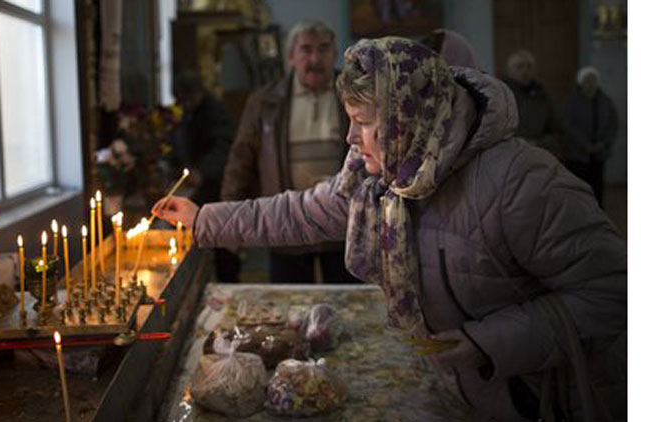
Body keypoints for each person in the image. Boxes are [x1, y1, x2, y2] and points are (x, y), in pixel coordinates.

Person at [155, 37, 626, 421]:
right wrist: (204, 219)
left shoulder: (522, 183)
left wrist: (489, 343)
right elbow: (300, 212)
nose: (349, 138)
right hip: (466, 394)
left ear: (406, 120)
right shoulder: (382, 177)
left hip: (543, 398)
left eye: (361, 122)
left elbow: (615, 292)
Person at [220, 19, 358, 283]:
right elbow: (240, 163)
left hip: (345, 227)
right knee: (290, 309)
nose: (315, 58)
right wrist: (229, 222)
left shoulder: (357, 93)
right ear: (291, 56)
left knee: (349, 307)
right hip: (287, 225)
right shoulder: (264, 101)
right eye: (306, 49)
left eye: (324, 49)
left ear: (334, 53)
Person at [171, 71, 241, 282]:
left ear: (197, 92)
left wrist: (203, 171)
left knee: (222, 242)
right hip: (198, 188)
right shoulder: (187, 111)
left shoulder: (215, 112)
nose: (185, 104)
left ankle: (229, 285)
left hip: (217, 186)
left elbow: (225, 147)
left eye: (188, 99)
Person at [560, 66, 618, 206]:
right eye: (587, 79)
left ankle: (597, 212)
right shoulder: (571, 101)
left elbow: (613, 124)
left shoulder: (606, 101)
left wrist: (603, 143)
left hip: (599, 153)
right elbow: (567, 124)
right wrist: (584, 144)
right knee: (578, 186)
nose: (590, 83)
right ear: (580, 82)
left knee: (597, 185)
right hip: (576, 153)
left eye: (593, 79)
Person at [502, 50, 564, 159]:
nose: (525, 71)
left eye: (529, 66)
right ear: (509, 71)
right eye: (519, 66)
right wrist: (518, 143)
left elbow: (556, 132)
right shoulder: (500, 96)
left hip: (538, 155)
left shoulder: (544, 97)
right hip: (509, 156)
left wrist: (538, 143)